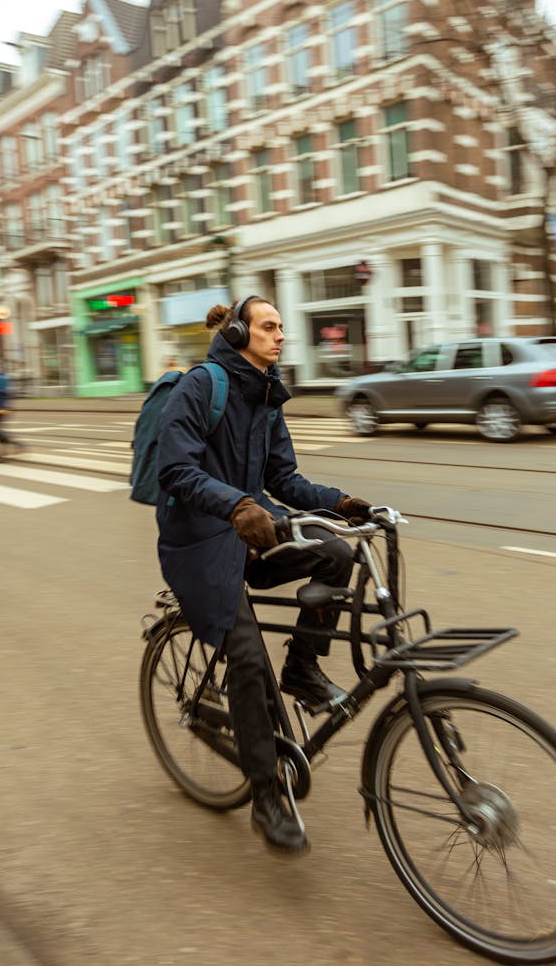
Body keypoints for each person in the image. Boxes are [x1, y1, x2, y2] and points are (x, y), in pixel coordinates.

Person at [155, 295, 371, 854]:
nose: (280, 336)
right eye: (269, 327)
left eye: (281, 328)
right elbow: (174, 468)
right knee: (248, 658)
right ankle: (266, 791)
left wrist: (338, 502)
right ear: (237, 335)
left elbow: (285, 479)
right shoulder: (201, 385)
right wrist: (233, 505)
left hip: (250, 534)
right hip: (200, 542)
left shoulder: (268, 395)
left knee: (337, 555)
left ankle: (301, 669)